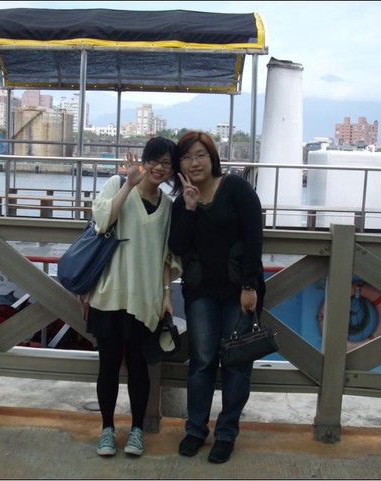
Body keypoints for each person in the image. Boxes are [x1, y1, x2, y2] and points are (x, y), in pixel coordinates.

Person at [168, 131, 266, 464]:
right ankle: (196, 429)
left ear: (213, 158)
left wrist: (250, 285)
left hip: (239, 291)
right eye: (186, 157)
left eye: (200, 155)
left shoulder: (236, 187)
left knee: (236, 363)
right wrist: (190, 208)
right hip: (201, 292)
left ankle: (226, 433)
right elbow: (177, 246)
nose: (194, 163)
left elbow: (254, 237)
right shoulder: (182, 201)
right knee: (202, 361)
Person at [85, 137, 181, 457]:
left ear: (172, 170)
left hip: (145, 297)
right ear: (144, 159)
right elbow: (102, 222)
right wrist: (128, 184)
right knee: (109, 365)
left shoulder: (167, 207)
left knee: (140, 368)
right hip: (110, 294)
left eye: (166, 163)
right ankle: (107, 429)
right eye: (154, 160)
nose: (159, 168)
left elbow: (167, 257)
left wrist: (166, 294)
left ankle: (137, 429)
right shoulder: (116, 184)